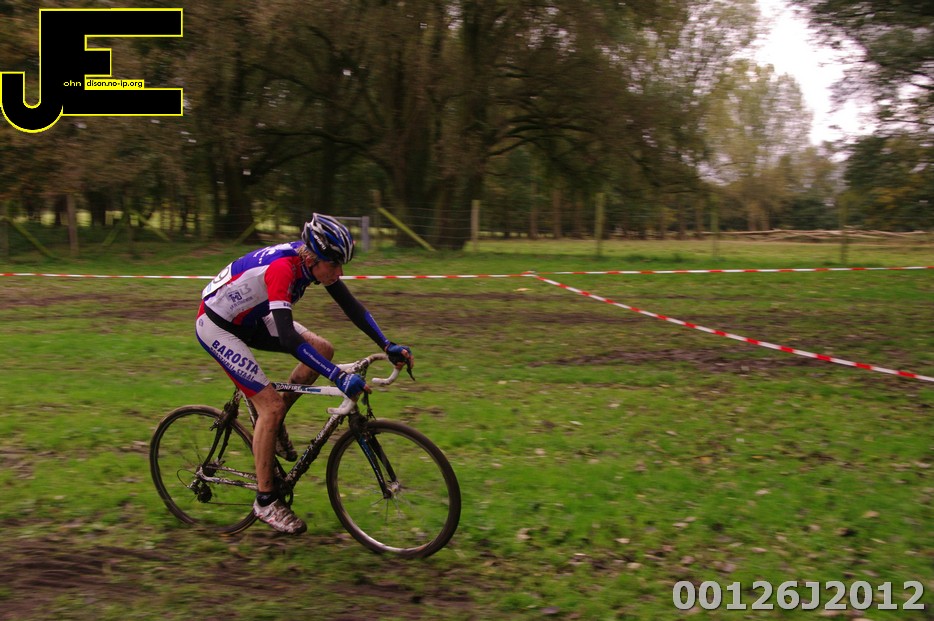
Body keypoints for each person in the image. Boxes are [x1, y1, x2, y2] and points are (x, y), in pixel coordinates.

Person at [195, 213, 413, 534]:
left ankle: (273, 427)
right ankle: (266, 501)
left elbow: (351, 306)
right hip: (218, 326)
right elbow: (287, 338)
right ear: (314, 258)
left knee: (323, 349)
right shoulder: (283, 269)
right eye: (334, 265)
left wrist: (387, 343)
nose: (339, 272)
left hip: (251, 316)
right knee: (270, 406)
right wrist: (337, 377)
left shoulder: (310, 262)